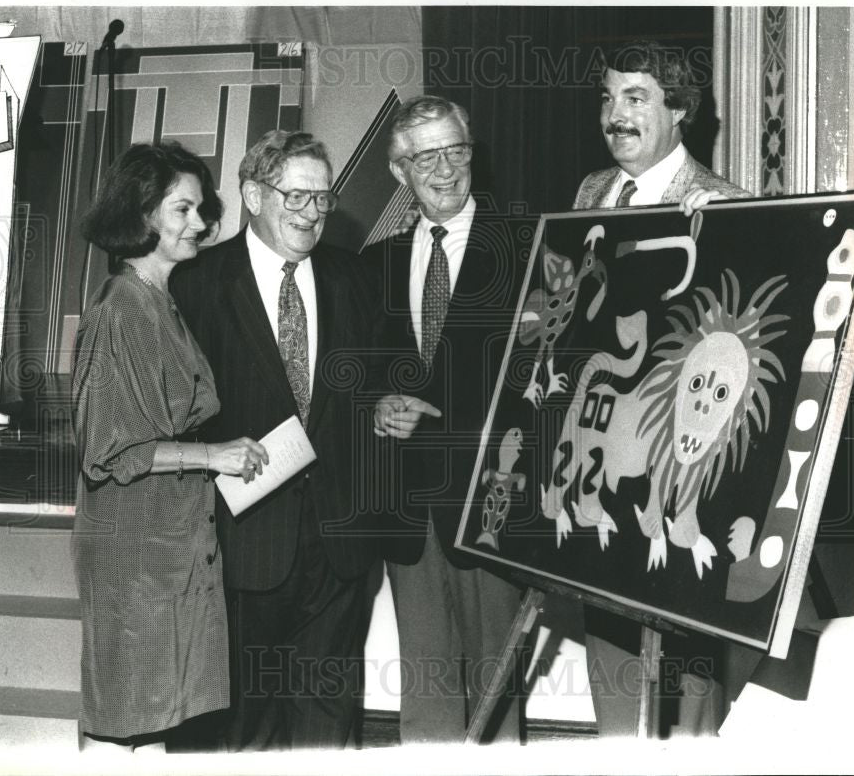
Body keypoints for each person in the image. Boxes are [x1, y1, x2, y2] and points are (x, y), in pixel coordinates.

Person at [169, 131, 379, 751]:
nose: (312, 213)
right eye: (297, 195)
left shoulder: (354, 277)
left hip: (339, 542)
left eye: (323, 198)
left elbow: (373, 389)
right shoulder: (195, 284)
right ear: (253, 194)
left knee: (328, 724)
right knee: (244, 729)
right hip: (240, 541)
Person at [573, 40, 752, 738]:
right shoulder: (591, 191)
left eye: (636, 98)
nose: (615, 115)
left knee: (683, 681)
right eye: (608, 97)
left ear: (679, 109)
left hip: (677, 475)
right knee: (611, 651)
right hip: (603, 454)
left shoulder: (728, 203)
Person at [71, 142, 268, 751]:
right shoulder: (123, 308)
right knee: (129, 711)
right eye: (183, 209)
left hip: (168, 541)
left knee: (156, 714)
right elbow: (109, 449)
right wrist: (213, 456)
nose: (202, 224)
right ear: (143, 214)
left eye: (203, 209)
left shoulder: (160, 298)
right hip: (136, 547)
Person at [365, 95, 529, 743]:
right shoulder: (374, 263)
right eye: (424, 155)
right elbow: (357, 372)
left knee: (495, 691)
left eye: (454, 150)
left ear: (471, 154)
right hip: (409, 515)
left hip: (492, 503)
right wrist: (377, 405)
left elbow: (546, 380)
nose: (444, 168)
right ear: (399, 171)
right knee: (426, 690)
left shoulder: (526, 247)